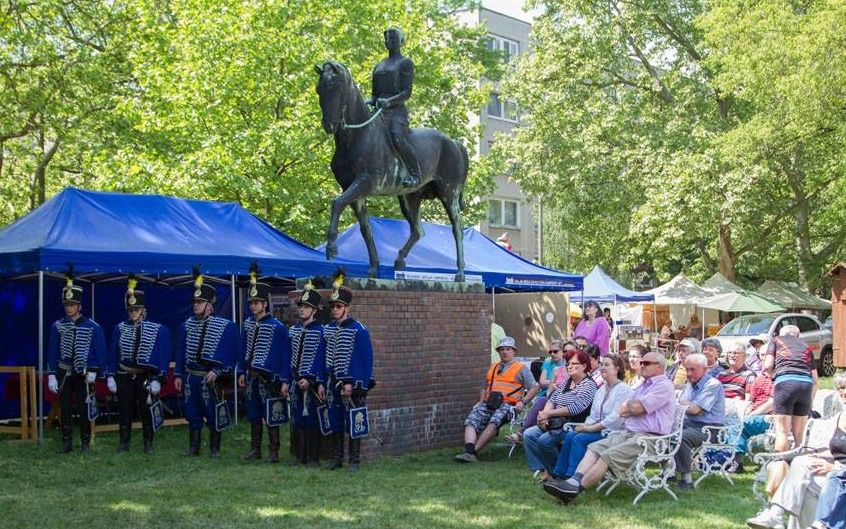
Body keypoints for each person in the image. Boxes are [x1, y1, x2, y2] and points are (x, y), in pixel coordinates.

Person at [543, 351, 676, 502]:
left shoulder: (663, 386)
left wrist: (631, 407)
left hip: (650, 438)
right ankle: (571, 481)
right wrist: (632, 407)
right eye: (641, 362)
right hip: (629, 434)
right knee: (594, 448)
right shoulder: (641, 386)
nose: (641, 365)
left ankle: (574, 490)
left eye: (646, 363)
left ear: (659, 367)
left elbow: (633, 409)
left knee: (606, 455)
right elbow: (624, 410)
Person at [746, 373, 846, 529]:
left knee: (808, 482)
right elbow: (839, 451)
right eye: (841, 388)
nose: (844, 393)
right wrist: (819, 455)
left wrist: (835, 468)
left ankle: (786, 517)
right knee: (801, 464)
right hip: (834, 474)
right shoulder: (839, 418)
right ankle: (776, 514)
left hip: (840, 476)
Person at [174, 273, 239, 458]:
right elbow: (181, 352)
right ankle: (193, 447)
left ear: (210, 305)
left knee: (213, 412)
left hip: (210, 378)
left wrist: (218, 371)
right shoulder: (186, 325)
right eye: (195, 302)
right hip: (190, 376)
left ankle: (214, 448)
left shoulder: (226, 326)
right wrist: (178, 374)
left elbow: (230, 354)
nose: (196, 305)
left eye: (200, 302)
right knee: (192, 413)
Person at [109, 278, 171, 454]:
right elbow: (113, 352)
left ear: (143, 310)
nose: (133, 313)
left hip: (145, 375)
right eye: (131, 310)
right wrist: (110, 375)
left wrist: (159, 378)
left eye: (136, 309)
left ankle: (148, 443)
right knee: (124, 409)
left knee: (146, 410)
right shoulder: (119, 328)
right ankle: (124, 443)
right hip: (125, 374)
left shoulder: (157, 329)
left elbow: (162, 355)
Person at [46, 275, 107, 454]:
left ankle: (85, 443)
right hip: (64, 373)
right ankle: (66, 442)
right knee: (64, 408)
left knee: (84, 408)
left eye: (72, 305)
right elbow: (52, 351)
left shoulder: (93, 327)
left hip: (84, 374)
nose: (68, 308)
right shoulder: (57, 326)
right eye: (66, 305)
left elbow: (99, 351)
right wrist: (51, 374)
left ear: (79, 306)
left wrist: (95, 370)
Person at [550, 354, 633, 481]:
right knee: (571, 435)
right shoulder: (601, 390)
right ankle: (559, 475)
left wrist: (591, 428)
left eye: (607, 365)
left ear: (617, 369)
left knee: (580, 439)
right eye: (602, 365)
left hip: (613, 432)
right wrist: (585, 425)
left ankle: (572, 478)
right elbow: (593, 415)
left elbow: (615, 418)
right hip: (598, 429)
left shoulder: (624, 390)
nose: (602, 368)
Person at [455, 336, 537, 463]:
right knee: (471, 420)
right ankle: (469, 451)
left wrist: (523, 402)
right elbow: (484, 386)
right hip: (490, 402)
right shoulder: (493, 367)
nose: (504, 352)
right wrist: (481, 401)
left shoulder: (521, 368)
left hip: (510, 405)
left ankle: (473, 452)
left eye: (508, 349)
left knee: (495, 421)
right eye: (502, 349)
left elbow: (534, 388)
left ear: (514, 351)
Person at [322, 279, 375, 471]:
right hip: (332, 383)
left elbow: (365, 360)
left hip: (351, 385)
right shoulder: (328, 329)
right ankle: (337, 458)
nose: (335, 310)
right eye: (333, 307)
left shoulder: (358, 330)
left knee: (354, 420)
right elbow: (324, 358)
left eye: (339, 306)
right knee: (335, 420)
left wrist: (353, 383)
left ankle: (354, 460)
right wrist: (322, 382)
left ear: (347, 308)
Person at [237, 276, 291, 464]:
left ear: (264, 304)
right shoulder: (248, 324)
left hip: (269, 379)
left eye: (257, 303)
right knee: (253, 413)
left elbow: (285, 355)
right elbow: (243, 349)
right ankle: (255, 448)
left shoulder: (278, 327)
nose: (253, 306)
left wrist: (283, 378)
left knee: (271, 415)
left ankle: (274, 451)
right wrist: (242, 372)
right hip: (251, 377)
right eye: (251, 303)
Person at [523, 349, 598, 481]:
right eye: (568, 363)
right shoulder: (567, 382)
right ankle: (551, 471)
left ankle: (560, 473)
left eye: (574, 364)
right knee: (529, 434)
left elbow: (576, 408)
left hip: (574, 425)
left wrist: (548, 413)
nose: (570, 366)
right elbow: (552, 399)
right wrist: (544, 416)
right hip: (556, 423)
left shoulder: (589, 384)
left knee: (544, 440)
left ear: (584, 366)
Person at [366, 27, 420, 187]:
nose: (389, 41)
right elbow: (375, 95)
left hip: (396, 113)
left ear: (400, 41)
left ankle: (415, 173)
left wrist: (389, 102)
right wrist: (367, 101)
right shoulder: (379, 66)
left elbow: (406, 92)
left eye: (393, 38)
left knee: (397, 137)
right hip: (378, 112)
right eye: (387, 39)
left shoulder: (405, 63)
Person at [288, 281, 327, 467]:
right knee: (297, 420)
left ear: (315, 310)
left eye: (307, 307)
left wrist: (313, 380)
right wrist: (287, 380)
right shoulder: (293, 331)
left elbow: (322, 359)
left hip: (311, 384)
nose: (302, 310)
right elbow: (288, 357)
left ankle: (314, 458)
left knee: (313, 421)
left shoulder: (322, 332)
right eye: (301, 306)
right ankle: (299, 456)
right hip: (296, 382)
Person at [674, 352, 726, 490]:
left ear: (704, 369)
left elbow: (696, 410)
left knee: (682, 437)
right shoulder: (689, 384)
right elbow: (686, 407)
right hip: (690, 424)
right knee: (663, 431)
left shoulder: (713, 384)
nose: (689, 373)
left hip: (711, 429)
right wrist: (687, 405)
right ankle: (668, 471)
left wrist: (685, 404)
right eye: (687, 369)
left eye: (693, 370)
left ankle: (686, 480)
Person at [765, 325, 819, 452]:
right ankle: (798, 466)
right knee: (799, 436)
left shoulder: (776, 340)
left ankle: (780, 466)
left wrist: (774, 376)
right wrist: (810, 401)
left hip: (785, 383)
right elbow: (815, 380)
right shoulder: (805, 346)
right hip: (806, 385)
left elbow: (767, 365)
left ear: (782, 334)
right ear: (798, 336)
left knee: (782, 432)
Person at [504, 340, 566, 445]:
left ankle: (521, 433)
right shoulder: (548, 362)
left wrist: (552, 381)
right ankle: (523, 434)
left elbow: (563, 382)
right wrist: (554, 381)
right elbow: (541, 382)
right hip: (546, 393)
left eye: (555, 351)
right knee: (541, 401)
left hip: (559, 396)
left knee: (541, 402)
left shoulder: (568, 363)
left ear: (563, 351)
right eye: (550, 352)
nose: (552, 354)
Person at [733, 369, 775, 472]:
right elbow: (750, 402)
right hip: (754, 416)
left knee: (740, 424)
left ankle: (736, 462)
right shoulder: (759, 379)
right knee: (735, 423)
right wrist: (746, 413)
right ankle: (735, 461)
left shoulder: (779, 378)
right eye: (762, 356)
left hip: (770, 417)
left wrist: (751, 415)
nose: (765, 359)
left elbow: (772, 403)